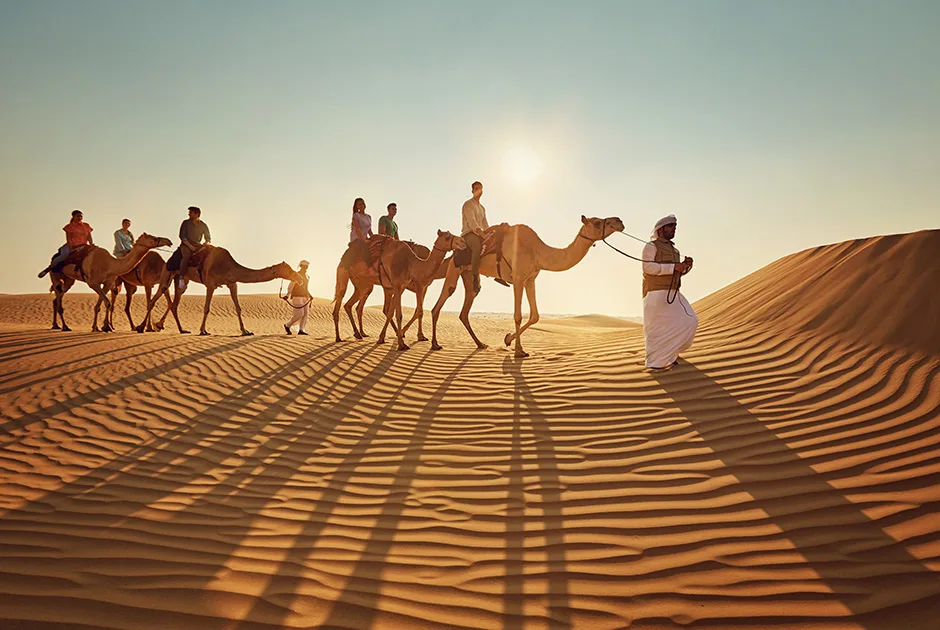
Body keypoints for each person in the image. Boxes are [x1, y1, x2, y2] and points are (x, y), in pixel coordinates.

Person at [642, 214, 698, 370]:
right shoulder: (651, 246)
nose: (674, 229)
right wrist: (674, 267)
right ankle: (656, 363)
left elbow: (677, 273)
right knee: (657, 328)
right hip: (654, 293)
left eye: (674, 226)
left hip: (672, 292)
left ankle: (671, 353)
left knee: (690, 320)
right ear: (661, 230)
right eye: (670, 226)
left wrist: (686, 266)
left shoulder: (675, 250)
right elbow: (648, 268)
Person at [38, 209, 94, 278]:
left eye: (81, 216)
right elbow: (68, 239)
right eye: (78, 216)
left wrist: (91, 244)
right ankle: (48, 269)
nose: (79, 218)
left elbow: (89, 236)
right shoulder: (69, 227)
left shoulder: (86, 225)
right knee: (63, 256)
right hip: (72, 245)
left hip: (83, 246)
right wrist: (71, 249)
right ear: (73, 217)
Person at [461, 181, 489, 295]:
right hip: (469, 234)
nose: (479, 190)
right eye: (476, 188)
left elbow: (485, 224)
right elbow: (473, 225)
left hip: (480, 234)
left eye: (480, 189)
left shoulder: (482, 208)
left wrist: (490, 233)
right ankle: (475, 278)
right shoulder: (468, 204)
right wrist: (482, 234)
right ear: (472, 191)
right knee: (477, 246)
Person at [177, 206, 211, 289]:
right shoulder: (185, 223)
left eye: (191, 212)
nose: (189, 214)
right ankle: (181, 278)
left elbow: (208, 237)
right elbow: (182, 236)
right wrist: (190, 246)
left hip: (198, 245)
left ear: (197, 214)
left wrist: (206, 243)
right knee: (186, 257)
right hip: (186, 245)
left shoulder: (203, 225)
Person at [340, 197, 373, 268]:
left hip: (365, 238)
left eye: (363, 203)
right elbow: (357, 230)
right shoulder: (356, 216)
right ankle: (370, 266)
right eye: (359, 204)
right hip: (357, 238)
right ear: (357, 207)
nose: (362, 205)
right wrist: (364, 240)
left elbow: (369, 231)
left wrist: (374, 238)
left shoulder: (369, 217)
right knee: (364, 247)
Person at [283, 259, 311, 335]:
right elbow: (291, 285)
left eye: (307, 266)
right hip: (297, 296)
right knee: (299, 314)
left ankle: (301, 330)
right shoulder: (296, 275)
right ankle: (287, 325)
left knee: (305, 314)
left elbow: (306, 287)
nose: (305, 268)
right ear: (301, 266)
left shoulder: (308, 276)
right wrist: (287, 295)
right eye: (304, 266)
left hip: (306, 297)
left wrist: (310, 295)